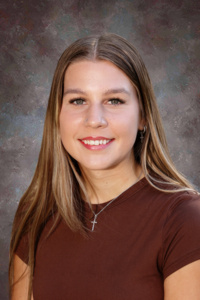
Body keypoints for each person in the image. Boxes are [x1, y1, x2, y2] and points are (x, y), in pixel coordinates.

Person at [9, 33, 200, 300]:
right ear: (57, 115)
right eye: (78, 100)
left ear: (143, 116)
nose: (94, 120)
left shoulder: (185, 219)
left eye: (114, 101)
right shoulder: (36, 212)